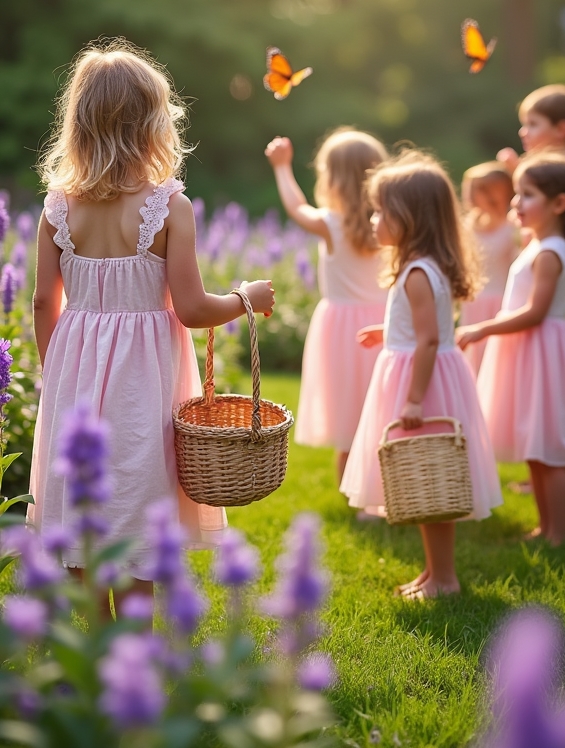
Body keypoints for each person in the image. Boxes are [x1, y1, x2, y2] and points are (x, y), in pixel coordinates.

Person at [29, 40, 275, 609]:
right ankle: (129, 660)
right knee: (137, 503)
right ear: (151, 125)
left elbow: (44, 301)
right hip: (143, 380)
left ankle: (85, 659)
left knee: (82, 511)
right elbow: (191, 308)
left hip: (73, 375)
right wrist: (245, 297)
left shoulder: (57, 206)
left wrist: (58, 367)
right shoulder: (169, 207)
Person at [340, 150, 502, 599]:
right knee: (426, 483)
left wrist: (414, 399)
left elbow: (429, 339)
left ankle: (445, 578)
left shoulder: (415, 272)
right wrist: (388, 332)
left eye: (380, 211)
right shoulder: (426, 267)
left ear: (408, 217)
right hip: (425, 371)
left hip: (422, 383)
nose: (373, 219)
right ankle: (434, 573)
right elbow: (422, 329)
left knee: (432, 480)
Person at [457, 153, 565, 547]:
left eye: (527, 195)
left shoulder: (550, 251)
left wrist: (482, 328)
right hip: (529, 352)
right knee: (534, 444)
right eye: (516, 194)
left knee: (551, 450)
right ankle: (546, 527)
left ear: (559, 204)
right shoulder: (538, 242)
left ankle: (558, 533)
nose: (515, 203)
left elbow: (536, 311)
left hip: (543, 351)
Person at [265, 128, 388, 483]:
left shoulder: (331, 223)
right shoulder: (390, 224)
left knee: (349, 413)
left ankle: (354, 492)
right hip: (383, 325)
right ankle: (386, 489)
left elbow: (295, 206)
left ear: (332, 178)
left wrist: (282, 167)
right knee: (379, 408)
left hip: (344, 329)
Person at [459, 163, 518, 374]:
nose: (470, 196)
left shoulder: (513, 228)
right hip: (473, 302)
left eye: (477, 190)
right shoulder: (467, 226)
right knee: (472, 362)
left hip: (500, 302)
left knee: (496, 364)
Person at [497, 83, 565, 174]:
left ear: (560, 129)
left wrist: (517, 170)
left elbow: (545, 185)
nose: (522, 132)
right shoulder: (529, 162)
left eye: (533, 124)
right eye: (524, 124)